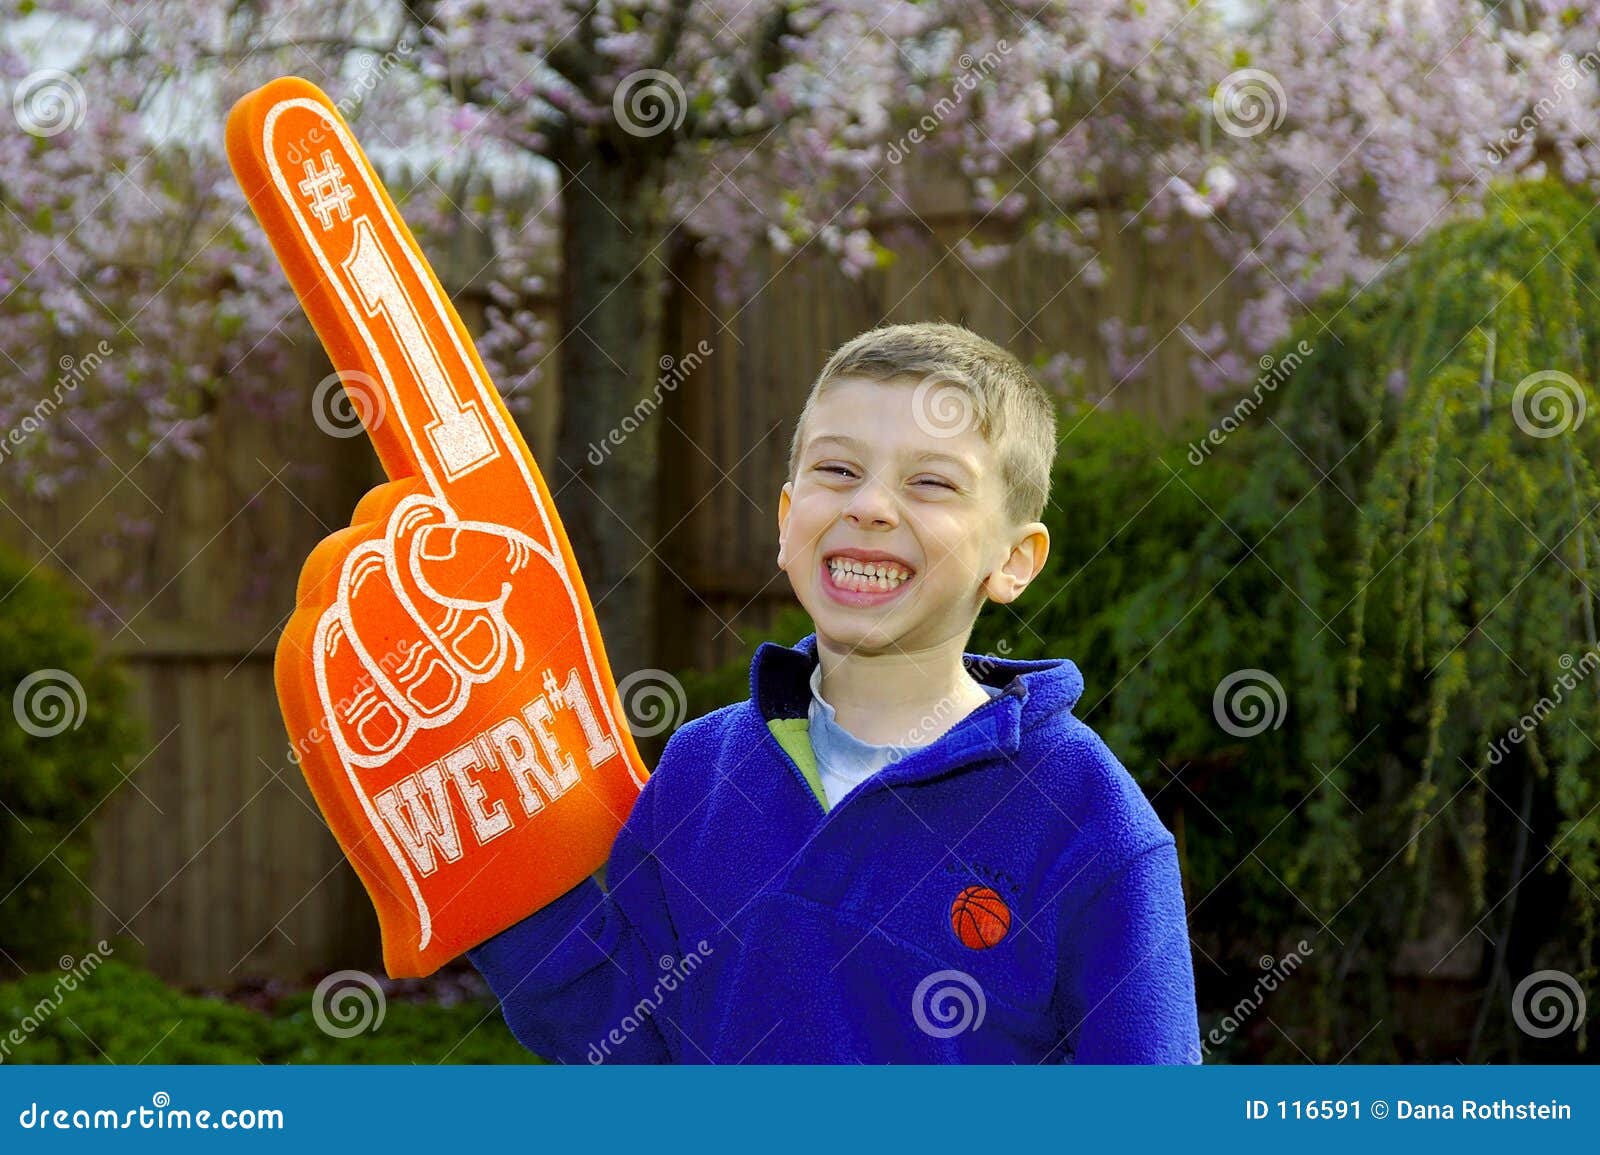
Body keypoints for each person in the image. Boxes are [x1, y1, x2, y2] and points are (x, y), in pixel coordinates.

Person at [469, 321, 1200, 1063]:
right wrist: (497, 884)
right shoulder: (699, 770)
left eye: (931, 481)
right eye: (839, 471)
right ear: (788, 524)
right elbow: (625, 1042)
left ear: (1014, 559)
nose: (871, 506)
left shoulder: (1084, 814)